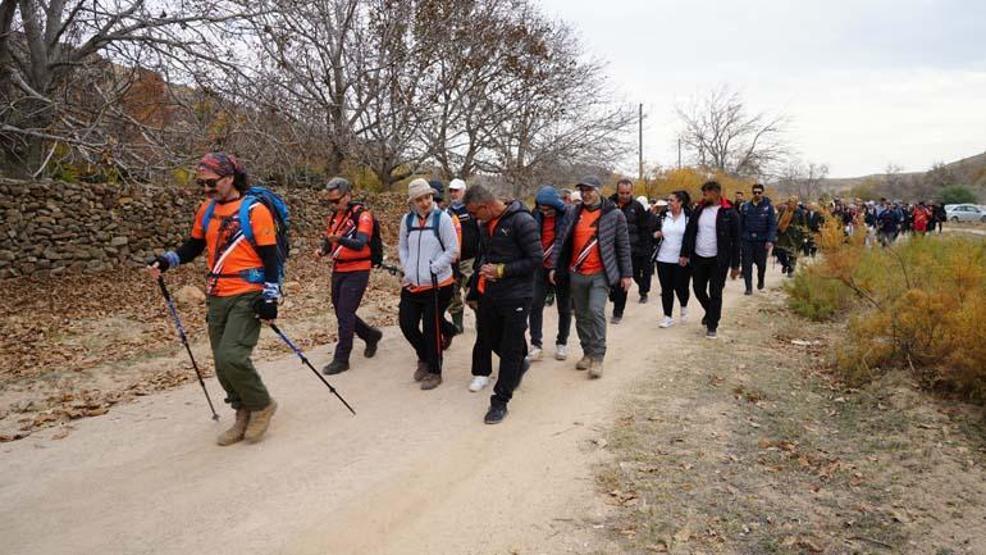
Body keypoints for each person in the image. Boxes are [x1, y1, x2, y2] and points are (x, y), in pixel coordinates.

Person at [148, 152, 278, 446]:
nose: (206, 189)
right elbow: (194, 246)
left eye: (211, 183)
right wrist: (168, 260)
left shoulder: (255, 210)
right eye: (201, 183)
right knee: (221, 363)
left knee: (233, 356)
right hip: (217, 295)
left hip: (248, 293)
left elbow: (271, 257)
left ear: (230, 178)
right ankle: (242, 411)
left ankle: (262, 405)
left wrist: (271, 296)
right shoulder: (206, 210)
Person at [463, 185, 541, 423]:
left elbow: (536, 259)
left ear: (486, 206)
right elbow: (484, 257)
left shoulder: (522, 221)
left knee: (509, 348)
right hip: (490, 294)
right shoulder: (485, 224)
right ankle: (520, 361)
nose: (475, 218)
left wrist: (503, 270)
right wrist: (474, 287)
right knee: (488, 337)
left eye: (476, 213)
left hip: (517, 295)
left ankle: (500, 401)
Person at [549, 175, 632, 378]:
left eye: (590, 190)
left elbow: (623, 245)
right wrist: (553, 266)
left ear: (599, 190)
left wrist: (627, 274)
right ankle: (587, 352)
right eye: (582, 190)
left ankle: (598, 357)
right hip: (576, 273)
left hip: (600, 273)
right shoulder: (572, 212)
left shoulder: (614, 214)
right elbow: (560, 240)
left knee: (595, 311)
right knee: (581, 315)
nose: (586, 194)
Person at [316, 177, 383, 375]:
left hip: (358, 270)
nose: (334, 205)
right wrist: (322, 250)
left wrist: (340, 239)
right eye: (330, 202)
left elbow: (361, 243)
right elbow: (330, 240)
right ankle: (370, 335)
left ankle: (341, 358)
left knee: (345, 313)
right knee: (342, 312)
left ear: (348, 196)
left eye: (337, 201)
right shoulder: (335, 217)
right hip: (339, 269)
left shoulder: (363, 216)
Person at [398, 178, 459, 390]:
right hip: (412, 284)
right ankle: (423, 357)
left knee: (431, 328)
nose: (425, 202)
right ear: (412, 201)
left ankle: (434, 370)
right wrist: (407, 268)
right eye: (419, 199)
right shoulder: (407, 221)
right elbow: (403, 248)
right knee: (406, 324)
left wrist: (434, 267)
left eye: (427, 197)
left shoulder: (442, 219)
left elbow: (453, 250)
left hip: (438, 284)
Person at [681, 180, 740, 339]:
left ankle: (712, 325)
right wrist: (684, 253)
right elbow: (689, 233)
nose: (703, 196)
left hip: (718, 260)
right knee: (698, 289)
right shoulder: (699, 210)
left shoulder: (729, 212)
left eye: (705, 193)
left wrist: (735, 265)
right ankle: (710, 311)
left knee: (715, 292)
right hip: (699, 257)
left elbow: (737, 241)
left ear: (715, 192)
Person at [527, 185, 574, 363]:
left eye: (548, 209)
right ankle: (536, 344)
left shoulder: (568, 216)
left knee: (564, 307)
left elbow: (565, 243)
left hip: (562, 267)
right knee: (535, 304)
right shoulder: (535, 215)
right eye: (542, 209)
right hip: (540, 267)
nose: (545, 212)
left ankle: (562, 342)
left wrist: (559, 267)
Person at [608, 179, 652, 320]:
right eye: (622, 193)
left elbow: (644, 230)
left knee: (623, 280)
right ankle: (613, 295)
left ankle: (618, 312)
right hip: (609, 250)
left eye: (628, 193)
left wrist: (643, 250)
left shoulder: (637, 207)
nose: (625, 196)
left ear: (632, 192)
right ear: (617, 191)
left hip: (630, 251)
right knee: (610, 281)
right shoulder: (608, 205)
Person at [653, 190, 691, 328]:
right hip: (663, 258)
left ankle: (684, 306)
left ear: (680, 202)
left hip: (681, 259)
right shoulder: (663, 215)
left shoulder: (688, 216)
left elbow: (691, 236)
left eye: (671, 200)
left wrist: (686, 255)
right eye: (668, 200)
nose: (668, 202)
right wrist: (656, 234)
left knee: (681, 287)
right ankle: (667, 316)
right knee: (666, 288)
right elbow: (654, 229)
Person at [446, 178, 479, 335]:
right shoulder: (447, 213)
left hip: (470, 259)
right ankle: (457, 325)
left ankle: (481, 321)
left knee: (473, 291)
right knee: (453, 293)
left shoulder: (472, 210)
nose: (453, 194)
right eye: (451, 191)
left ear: (464, 191)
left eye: (456, 190)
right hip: (452, 261)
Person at [738, 183, 776, 295]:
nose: (757, 194)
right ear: (752, 193)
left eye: (759, 192)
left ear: (762, 193)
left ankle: (760, 280)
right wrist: (739, 239)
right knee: (747, 264)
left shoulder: (768, 207)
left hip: (762, 240)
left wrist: (770, 240)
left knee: (761, 265)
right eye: (755, 192)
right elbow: (741, 224)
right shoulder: (745, 206)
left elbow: (772, 225)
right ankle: (748, 287)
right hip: (747, 240)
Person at [774, 198, 805, 275]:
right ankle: (785, 264)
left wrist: (803, 235)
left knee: (792, 253)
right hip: (783, 234)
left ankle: (791, 270)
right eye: (790, 202)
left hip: (795, 236)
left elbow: (803, 224)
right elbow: (778, 221)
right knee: (780, 251)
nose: (791, 204)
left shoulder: (800, 212)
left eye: (793, 202)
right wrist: (776, 232)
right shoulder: (784, 210)